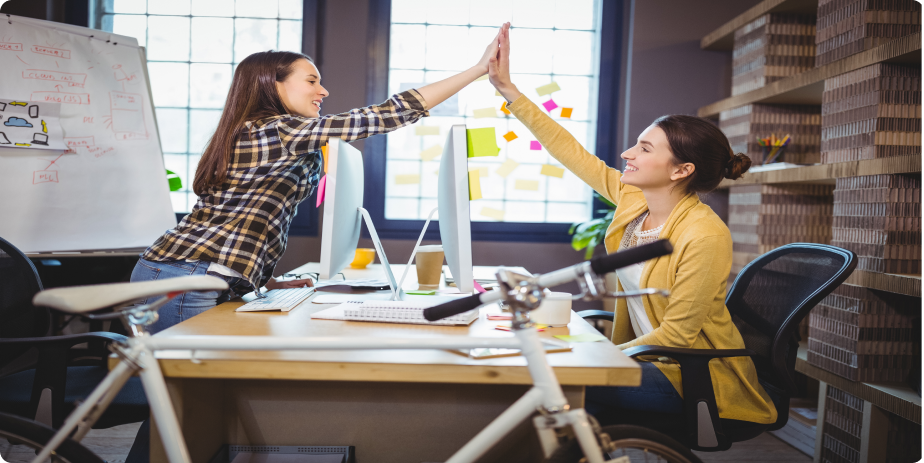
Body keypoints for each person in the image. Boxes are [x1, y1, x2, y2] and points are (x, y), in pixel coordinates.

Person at [130, 24, 512, 335]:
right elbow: (378, 117)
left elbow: (247, 225)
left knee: (184, 404)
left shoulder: (280, 136)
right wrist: (478, 70)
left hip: (202, 272)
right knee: (179, 398)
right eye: (311, 81)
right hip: (186, 273)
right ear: (272, 84)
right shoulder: (275, 130)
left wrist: (265, 282)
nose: (323, 91)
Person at [486, 26, 777, 425]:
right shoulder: (634, 201)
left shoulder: (704, 235)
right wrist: (508, 90)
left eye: (644, 148)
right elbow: (570, 151)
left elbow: (677, 338)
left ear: (682, 170)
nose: (627, 153)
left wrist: (600, 355)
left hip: (693, 379)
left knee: (557, 387)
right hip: (649, 362)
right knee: (545, 378)